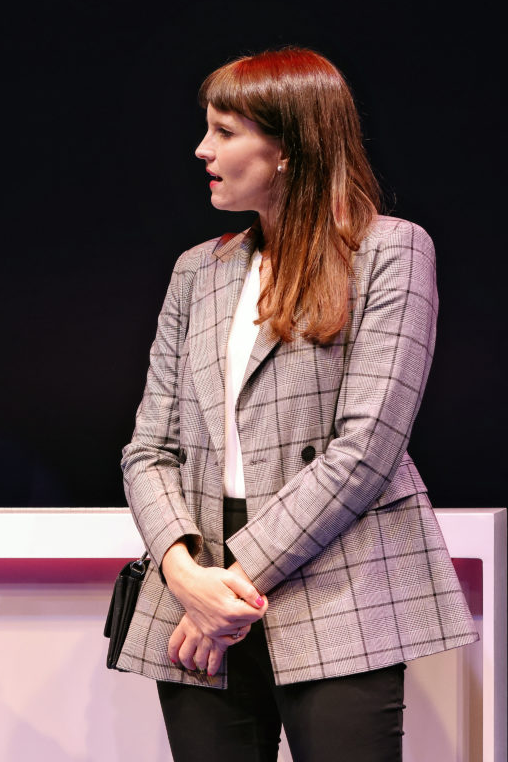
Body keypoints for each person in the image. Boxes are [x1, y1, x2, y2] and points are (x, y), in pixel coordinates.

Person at [115, 47, 476, 761]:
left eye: (224, 131)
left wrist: (234, 590)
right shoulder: (199, 270)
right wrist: (185, 573)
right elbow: (148, 447)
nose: (202, 149)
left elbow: (366, 446)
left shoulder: (390, 253)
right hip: (200, 581)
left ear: (288, 147)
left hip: (334, 582)